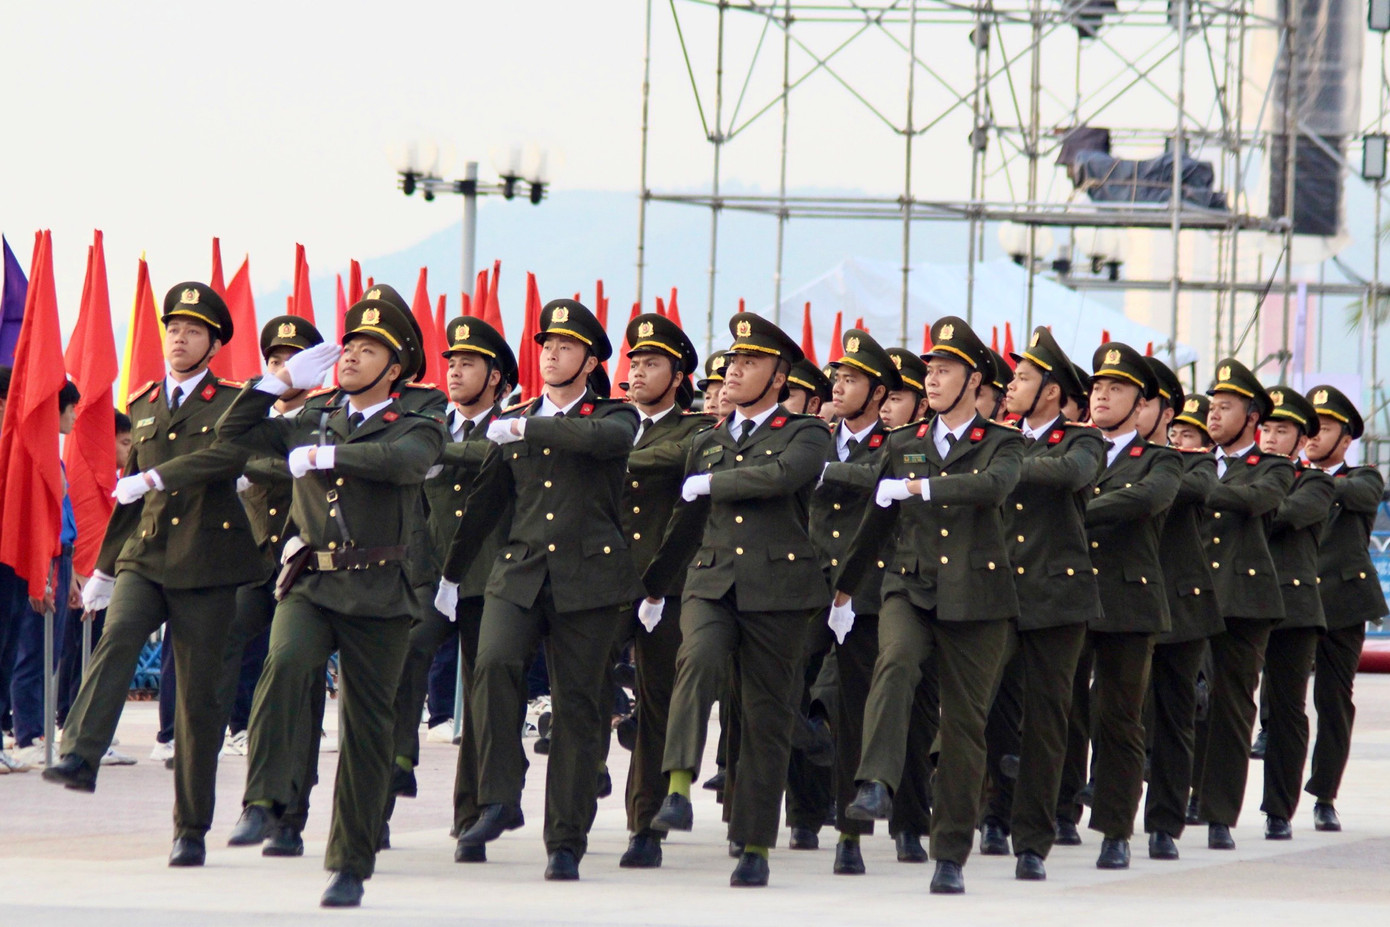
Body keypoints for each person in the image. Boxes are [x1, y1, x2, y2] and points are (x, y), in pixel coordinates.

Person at [221, 296, 442, 907]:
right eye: (348, 348)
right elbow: (232, 432)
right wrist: (277, 383)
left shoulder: (417, 419)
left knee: (366, 735)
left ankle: (350, 862)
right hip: (312, 582)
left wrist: (329, 456)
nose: (350, 357)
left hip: (380, 591)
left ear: (394, 369)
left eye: (368, 351)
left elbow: (406, 463)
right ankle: (263, 801)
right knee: (286, 662)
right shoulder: (313, 414)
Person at [43, 283, 260, 870]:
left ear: (214, 343)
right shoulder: (143, 403)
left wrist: (159, 479)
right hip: (147, 554)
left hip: (208, 564)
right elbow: (129, 495)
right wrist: (104, 569)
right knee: (117, 638)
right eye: (173, 329)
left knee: (197, 703)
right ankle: (80, 754)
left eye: (193, 331)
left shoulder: (233, 403)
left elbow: (226, 459)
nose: (179, 339)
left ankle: (190, 828)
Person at [439, 299, 642, 882]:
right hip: (520, 572)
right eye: (547, 345)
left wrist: (527, 427)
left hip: (590, 581)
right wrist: (451, 574)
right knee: (493, 664)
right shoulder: (517, 419)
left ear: (590, 362)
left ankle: (565, 840)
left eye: (566, 347)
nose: (552, 354)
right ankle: (500, 796)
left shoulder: (614, 415)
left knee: (578, 706)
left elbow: (602, 440)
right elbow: (487, 500)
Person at [641, 311, 831, 888]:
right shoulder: (708, 440)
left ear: (779, 377)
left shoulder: (806, 433)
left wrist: (715, 482)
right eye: (733, 361)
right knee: (696, 661)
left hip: (779, 592)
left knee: (765, 717)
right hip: (711, 582)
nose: (734, 371)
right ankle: (677, 788)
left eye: (750, 362)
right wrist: (654, 586)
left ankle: (754, 843)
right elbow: (685, 522)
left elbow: (783, 477)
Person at [836, 315, 1023, 894]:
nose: (933, 380)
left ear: (974, 380)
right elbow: (874, 523)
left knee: (964, 727)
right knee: (894, 662)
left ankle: (950, 854)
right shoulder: (903, 442)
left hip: (978, 598)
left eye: (945, 371)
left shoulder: (1002, 443)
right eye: (930, 371)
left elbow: (992, 488)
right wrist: (844, 588)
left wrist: (921, 487)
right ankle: (875, 783)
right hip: (910, 587)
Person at [982, 327, 1103, 881]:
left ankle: (1033, 840)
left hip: (1058, 597)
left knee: (1048, 721)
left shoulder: (1082, 440)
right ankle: (991, 813)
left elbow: (1070, 474)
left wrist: (1002, 466)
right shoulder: (998, 437)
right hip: (998, 593)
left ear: (1051, 391)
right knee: (983, 706)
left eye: (1024, 378)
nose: (1011, 386)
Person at [214, 315, 326, 857]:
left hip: (308, 567)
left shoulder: (327, 418)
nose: (284, 369)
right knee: (221, 649)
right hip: (256, 565)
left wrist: (261, 468)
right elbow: (227, 435)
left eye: (294, 361)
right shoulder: (257, 413)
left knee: (295, 680)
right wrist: (269, 389)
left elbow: (304, 469)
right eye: (275, 361)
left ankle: (288, 815)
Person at [610, 313, 714, 869]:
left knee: (657, 705)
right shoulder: (610, 422)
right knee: (581, 687)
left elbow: (676, 462)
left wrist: (605, 451)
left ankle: (645, 825)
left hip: (664, 584)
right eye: (634, 363)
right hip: (601, 580)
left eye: (651, 364)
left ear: (677, 377)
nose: (638, 372)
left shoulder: (696, 431)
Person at [1082, 342, 1181, 870]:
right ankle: (1050, 814)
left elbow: (1144, 499)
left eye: (1116, 388)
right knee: (1056, 710)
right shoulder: (1072, 448)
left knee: (1119, 719)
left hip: (1128, 601)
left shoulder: (1161, 459)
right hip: (1068, 596)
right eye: (1098, 386)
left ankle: (1116, 829)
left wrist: (1077, 507)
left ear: (1141, 404)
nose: (1102, 395)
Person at [1190, 359, 1295, 851]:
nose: (1213, 414)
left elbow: (1255, 501)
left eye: (1225, 407)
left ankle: (1219, 813)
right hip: (1190, 595)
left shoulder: (1274, 466)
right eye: (1212, 405)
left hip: (1243, 601)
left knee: (1231, 708)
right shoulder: (1191, 460)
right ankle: (1181, 797)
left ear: (1252, 418)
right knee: (1183, 701)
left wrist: (1197, 483)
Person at [1141, 376, 1222, 861]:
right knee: (1114, 709)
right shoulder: (1111, 458)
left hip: (1181, 603)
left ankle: (1164, 822)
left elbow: (1191, 487)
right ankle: (1104, 811)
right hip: (1127, 599)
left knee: (1175, 715)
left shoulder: (1197, 464)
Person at [1302, 384, 1387, 831]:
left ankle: (1324, 794)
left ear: (1346, 439)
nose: (1313, 435)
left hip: (1341, 604)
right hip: (1292, 600)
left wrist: (1312, 481)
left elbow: (1361, 496)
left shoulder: (1363, 477)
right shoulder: (1282, 474)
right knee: (1278, 699)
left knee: (1334, 702)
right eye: (1309, 427)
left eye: (1324, 428)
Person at [1257, 386, 1333, 840]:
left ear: (1302, 439)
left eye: (1281, 430)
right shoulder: (1237, 474)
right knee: (1221, 705)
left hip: (1292, 608)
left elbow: (1281, 514)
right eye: (1265, 428)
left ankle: (1279, 808)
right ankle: (1204, 798)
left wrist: (1241, 500)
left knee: (1287, 711)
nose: (1270, 437)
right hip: (1237, 602)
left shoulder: (1315, 482)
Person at [9, 379, 81, 767]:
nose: (74, 417)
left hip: (62, 558)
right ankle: (26, 734)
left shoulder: (55, 458)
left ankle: (34, 730)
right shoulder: (34, 457)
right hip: (45, 558)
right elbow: (39, 522)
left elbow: (65, 519)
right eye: (70, 409)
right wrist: (46, 574)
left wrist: (71, 573)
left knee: (49, 654)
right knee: (33, 651)